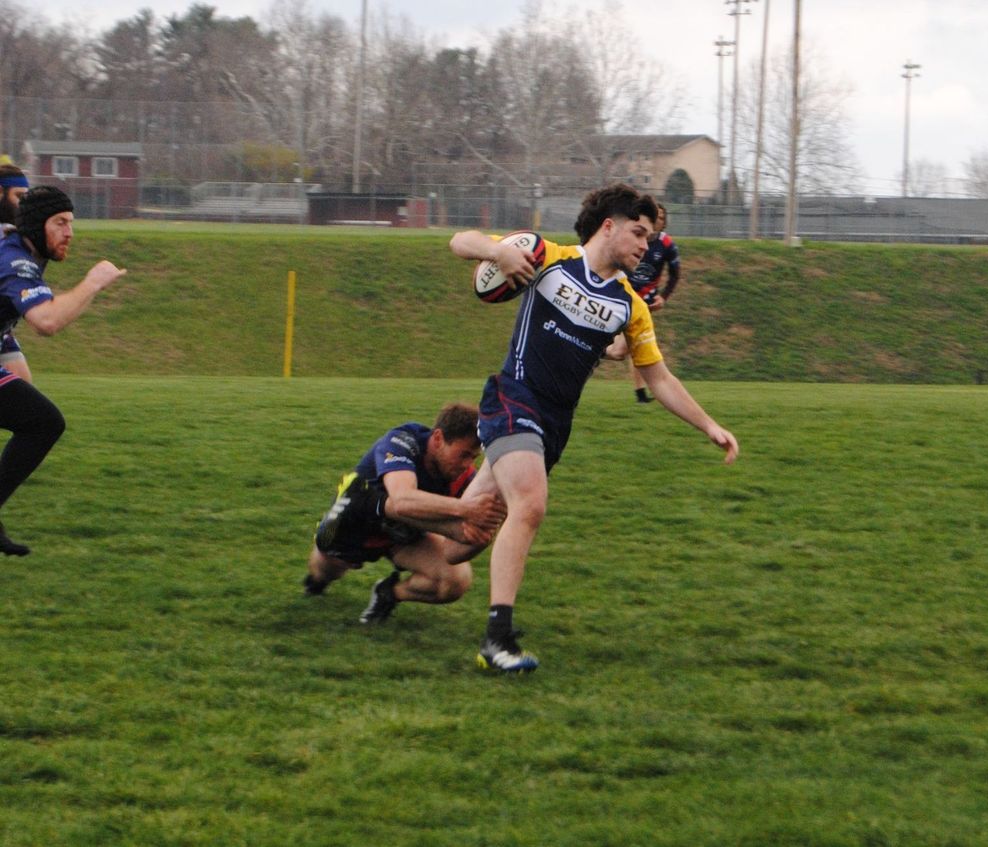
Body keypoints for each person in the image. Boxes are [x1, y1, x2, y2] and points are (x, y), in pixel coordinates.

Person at [449, 182, 739, 673]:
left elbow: (659, 378)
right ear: (609, 227)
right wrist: (499, 250)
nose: (645, 247)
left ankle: (388, 525)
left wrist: (708, 425)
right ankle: (496, 640)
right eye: (639, 234)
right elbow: (461, 241)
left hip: (555, 424)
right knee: (531, 505)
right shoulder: (550, 257)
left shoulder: (631, 306)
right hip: (513, 397)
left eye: (649, 239)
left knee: (464, 538)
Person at [0, 185, 127, 554]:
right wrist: (93, 283)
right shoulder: (17, 261)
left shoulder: (18, 245)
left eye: (71, 223)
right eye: (60, 223)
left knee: (24, 391)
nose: (69, 232)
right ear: (37, 226)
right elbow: (47, 321)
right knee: (42, 421)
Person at [304, 402, 506, 624]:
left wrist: (480, 535)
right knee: (327, 569)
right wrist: (466, 510)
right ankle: (317, 580)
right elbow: (401, 499)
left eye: (473, 457)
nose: (467, 464)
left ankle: (388, 594)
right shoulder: (403, 441)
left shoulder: (464, 477)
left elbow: (452, 554)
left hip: (402, 536)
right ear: (438, 439)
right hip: (357, 521)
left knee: (456, 581)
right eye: (463, 454)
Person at [621, 201, 682, 403]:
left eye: (662, 218)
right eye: (655, 216)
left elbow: (675, 274)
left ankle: (640, 393)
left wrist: (663, 297)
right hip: (624, 297)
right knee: (627, 347)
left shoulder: (667, 244)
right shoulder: (632, 238)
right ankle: (641, 393)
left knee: (633, 347)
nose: (658, 220)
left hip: (645, 304)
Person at [0, 162, 32, 382]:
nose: (24, 204)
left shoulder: (15, 236)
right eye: (19, 196)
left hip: (3, 330)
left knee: (26, 395)